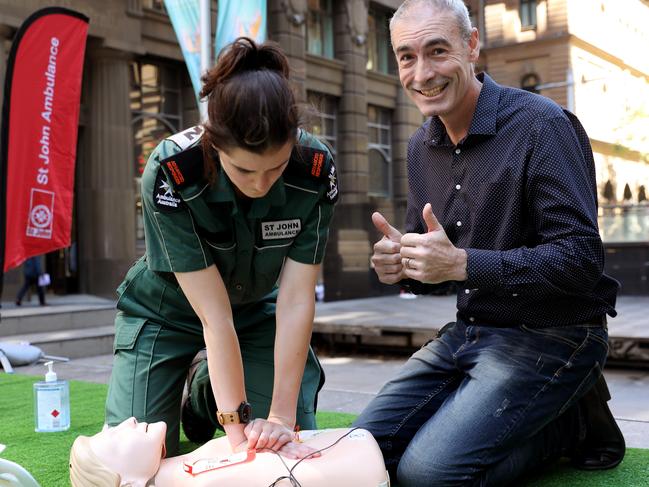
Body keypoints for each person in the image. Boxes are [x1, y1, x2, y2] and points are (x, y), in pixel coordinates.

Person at [353, 1, 624, 485]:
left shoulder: (541, 125)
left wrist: (462, 265)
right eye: (407, 57)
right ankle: (549, 413)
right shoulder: (420, 146)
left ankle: (573, 423)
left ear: (472, 45)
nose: (422, 73)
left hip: (556, 332)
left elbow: (581, 259)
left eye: (438, 51)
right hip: (471, 331)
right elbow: (440, 270)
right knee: (360, 452)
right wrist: (406, 265)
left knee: (427, 475)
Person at [105, 37, 338, 458]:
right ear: (214, 144)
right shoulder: (173, 170)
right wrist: (237, 437)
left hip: (256, 311)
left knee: (288, 450)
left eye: (277, 167)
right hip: (165, 311)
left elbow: (297, 299)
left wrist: (281, 420)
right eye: (244, 169)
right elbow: (213, 317)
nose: (261, 184)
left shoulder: (315, 168)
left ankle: (205, 391)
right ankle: (208, 395)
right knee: (133, 458)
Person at [69, 418, 389, 487]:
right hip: (357, 465)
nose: (129, 421)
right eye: (114, 437)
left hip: (349, 448)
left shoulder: (179, 469)